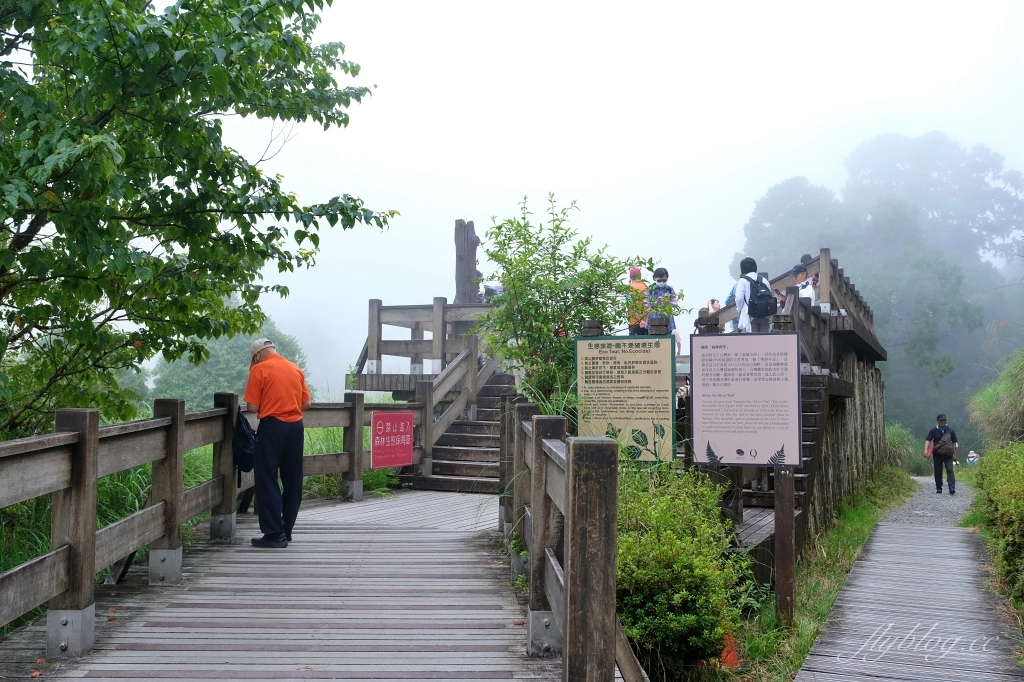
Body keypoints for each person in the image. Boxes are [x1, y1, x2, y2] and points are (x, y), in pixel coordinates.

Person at [244, 338, 312, 547]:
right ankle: (286, 529)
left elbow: (252, 407)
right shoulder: (295, 368)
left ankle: (274, 533)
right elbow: (306, 403)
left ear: (257, 356)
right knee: (293, 478)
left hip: (273, 427)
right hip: (296, 427)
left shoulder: (259, 370)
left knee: (266, 478)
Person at [734, 257, 773, 333]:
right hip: (764, 316)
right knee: (764, 342)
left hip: (749, 316)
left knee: (751, 342)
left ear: (742, 269)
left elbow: (739, 298)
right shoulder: (764, 280)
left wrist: (740, 309)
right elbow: (769, 297)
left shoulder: (742, 281)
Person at [924, 413, 958, 495]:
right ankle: (939, 487)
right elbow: (928, 440)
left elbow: (954, 443)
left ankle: (952, 487)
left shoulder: (951, 430)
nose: (943, 422)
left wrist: (955, 454)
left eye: (944, 420)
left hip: (948, 454)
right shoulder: (933, 430)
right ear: (938, 421)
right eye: (941, 420)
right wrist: (926, 450)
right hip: (937, 454)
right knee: (938, 470)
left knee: (950, 469)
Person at [645, 267, 679, 332]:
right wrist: (656, 302)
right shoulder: (650, 290)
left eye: (664, 280)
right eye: (659, 280)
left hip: (667, 321)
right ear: (654, 278)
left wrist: (669, 302)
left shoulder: (669, 289)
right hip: (653, 320)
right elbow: (646, 305)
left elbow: (675, 304)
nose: (662, 282)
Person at [627, 267, 648, 335]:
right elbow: (649, 306)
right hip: (646, 323)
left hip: (634, 323)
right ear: (640, 275)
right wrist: (643, 320)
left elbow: (630, 307)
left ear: (630, 277)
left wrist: (639, 320)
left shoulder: (629, 289)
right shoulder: (646, 288)